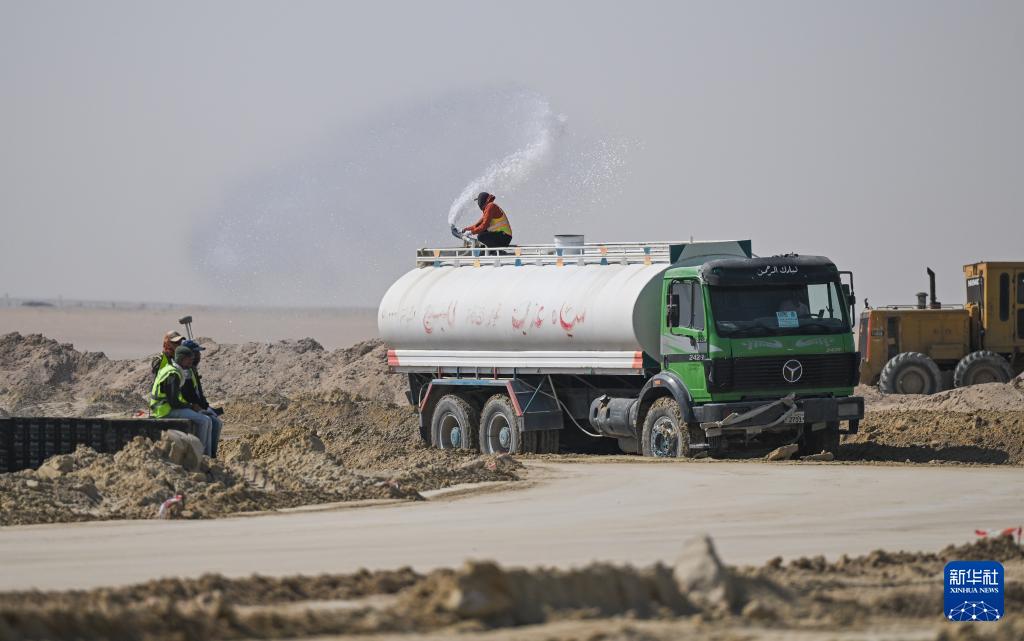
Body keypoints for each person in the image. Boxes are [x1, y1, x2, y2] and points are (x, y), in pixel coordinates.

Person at [150, 344, 213, 456]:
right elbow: (174, 402)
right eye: (189, 359)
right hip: (164, 410)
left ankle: (207, 454)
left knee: (207, 419)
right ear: (181, 359)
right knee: (204, 420)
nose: (191, 362)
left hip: (167, 407)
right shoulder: (173, 374)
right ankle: (200, 454)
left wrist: (190, 406)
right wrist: (191, 406)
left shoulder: (174, 370)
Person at [180, 339, 223, 458]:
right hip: (188, 406)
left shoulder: (192, 370)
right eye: (196, 353)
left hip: (196, 405)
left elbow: (198, 393)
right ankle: (204, 455)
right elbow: (188, 394)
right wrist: (198, 407)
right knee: (210, 421)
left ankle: (211, 454)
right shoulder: (185, 372)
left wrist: (206, 406)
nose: (199, 356)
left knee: (217, 421)